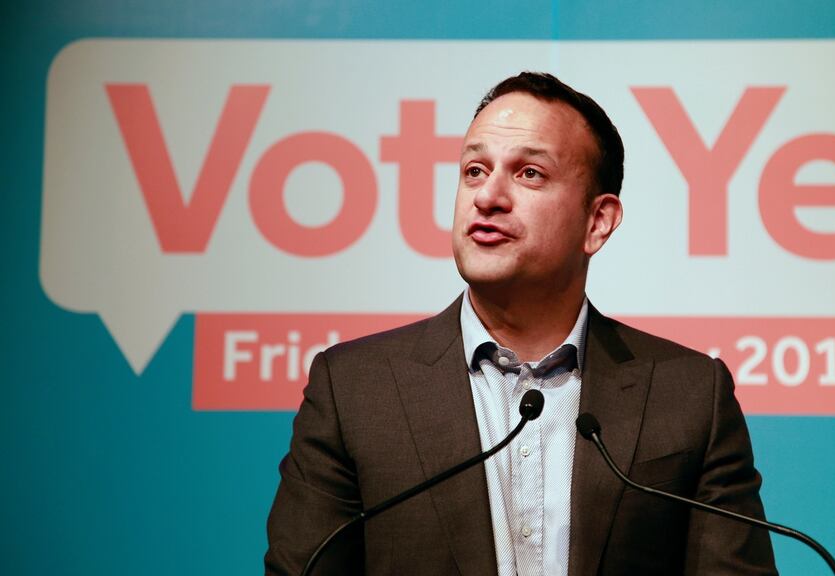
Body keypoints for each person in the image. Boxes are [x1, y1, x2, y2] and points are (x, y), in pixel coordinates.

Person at [265, 72, 777, 575]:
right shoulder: (355, 390)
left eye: (529, 173)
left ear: (597, 221)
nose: (487, 197)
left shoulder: (688, 394)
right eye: (475, 171)